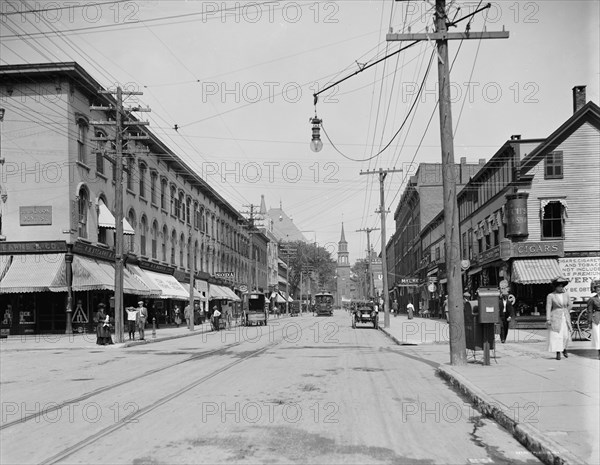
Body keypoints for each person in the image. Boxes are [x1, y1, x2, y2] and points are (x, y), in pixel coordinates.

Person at [546, 276, 573, 360]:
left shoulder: (566, 295)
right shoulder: (551, 296)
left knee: (565, 335)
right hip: (555, 317)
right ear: (556, 287)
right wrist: (548, 319)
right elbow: (548, 307)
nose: (561, 288)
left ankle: (564, 349)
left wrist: (566, 311)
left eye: (562, 286)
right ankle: (558, 352)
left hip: (565, 317)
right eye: (559, 286)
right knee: (557, 335)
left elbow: (570, 304)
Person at [586, 280, 600, 359]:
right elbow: (589, 311)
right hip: (597, 319)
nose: (599, 289)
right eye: (597, 288)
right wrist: (589, 321)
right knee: (598, 336)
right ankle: (599, 352)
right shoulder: (592, 299)